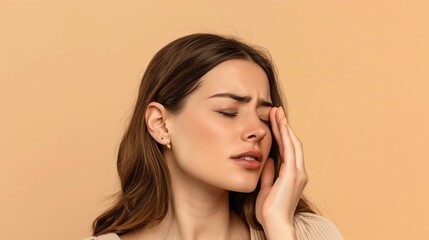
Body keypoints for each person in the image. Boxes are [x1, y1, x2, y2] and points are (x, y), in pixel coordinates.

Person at [86, 33, 343, 240]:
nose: (259, 130)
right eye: (228, 112)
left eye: (265, 117)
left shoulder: (309, 235)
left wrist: (279, 228)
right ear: (161, 124)